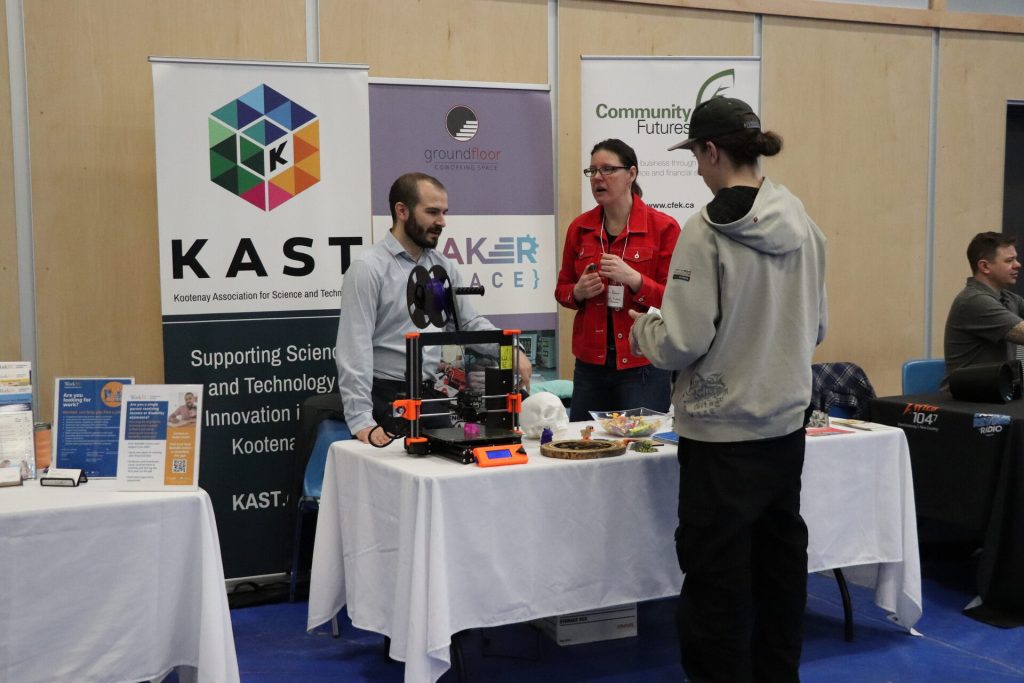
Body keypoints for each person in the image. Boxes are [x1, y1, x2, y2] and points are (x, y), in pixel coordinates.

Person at [629, 97, 827, 683]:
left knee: (716, 583)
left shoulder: (706, 228)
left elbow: (681, 341)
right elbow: (818, 327)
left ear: (713, 151)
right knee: (779, 572)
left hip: (720, 436)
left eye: (696, 155)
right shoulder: (804, 224)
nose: (695, 168)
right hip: (785, 430)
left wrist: (644, 325)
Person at [336, 172, 532, 446]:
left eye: (444, 212)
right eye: (432, 212)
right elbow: (353, 350)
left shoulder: (444, 267)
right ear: (402, 211)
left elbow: (470, 323)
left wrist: (513, 349)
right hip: (385, 397)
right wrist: (362, 423)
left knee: (457, 461)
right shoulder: (368, 268)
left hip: (428, 394)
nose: (442, 222)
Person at [554, 139, 681, 422]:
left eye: (608, 169)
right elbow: (562, 291)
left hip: (643, 364)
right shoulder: (580, 228)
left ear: (631, 174)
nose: (598, 178)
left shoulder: (663, 228)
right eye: (592, 171)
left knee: (641, 449)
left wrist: (635, 280)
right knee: (585, 445)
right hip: (591, 366)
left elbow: (676, 301)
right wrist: (577, 292)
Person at [942, 231, 1024, 386]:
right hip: (967, 400)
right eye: (1009, 260)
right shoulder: (974, 301)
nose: (1018, 264)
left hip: (996, 394)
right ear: (985, 266)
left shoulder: (1008, 298)